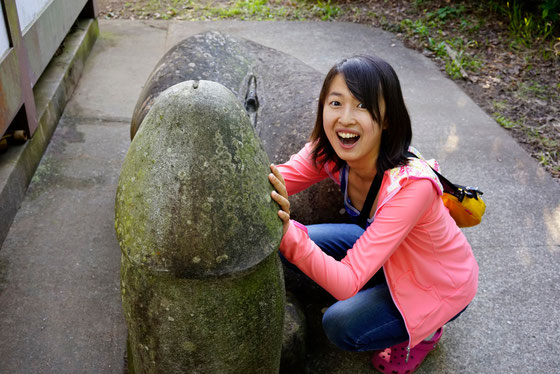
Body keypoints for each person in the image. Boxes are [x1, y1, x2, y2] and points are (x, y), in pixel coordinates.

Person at [268, 55, 478, 374]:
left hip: (436, 283)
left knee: (339, 324)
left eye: (363, 106)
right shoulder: (329, 152)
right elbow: (275, 180)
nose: (345, 119)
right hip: (391, 256)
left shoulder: (412, 187)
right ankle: (380, 293)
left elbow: (347, 283)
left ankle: (425, 331)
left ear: (388, 118)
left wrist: (288, 234)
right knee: (292, 243)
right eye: (336, 103)